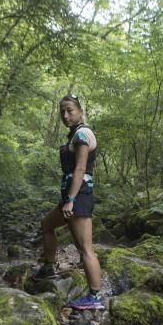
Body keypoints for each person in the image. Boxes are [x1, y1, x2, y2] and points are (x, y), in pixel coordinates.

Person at [32, 93, 104, 310]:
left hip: (78, 197)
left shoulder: (82, 134)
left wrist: (71, 200)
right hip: (72, 197)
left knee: (85, 248)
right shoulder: (75, 135)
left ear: (80, 111)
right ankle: (48, 267)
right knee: (47, 225)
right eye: (62, 111)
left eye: (70, 110)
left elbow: (80, 169)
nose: (65, 115)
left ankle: (95, 297)